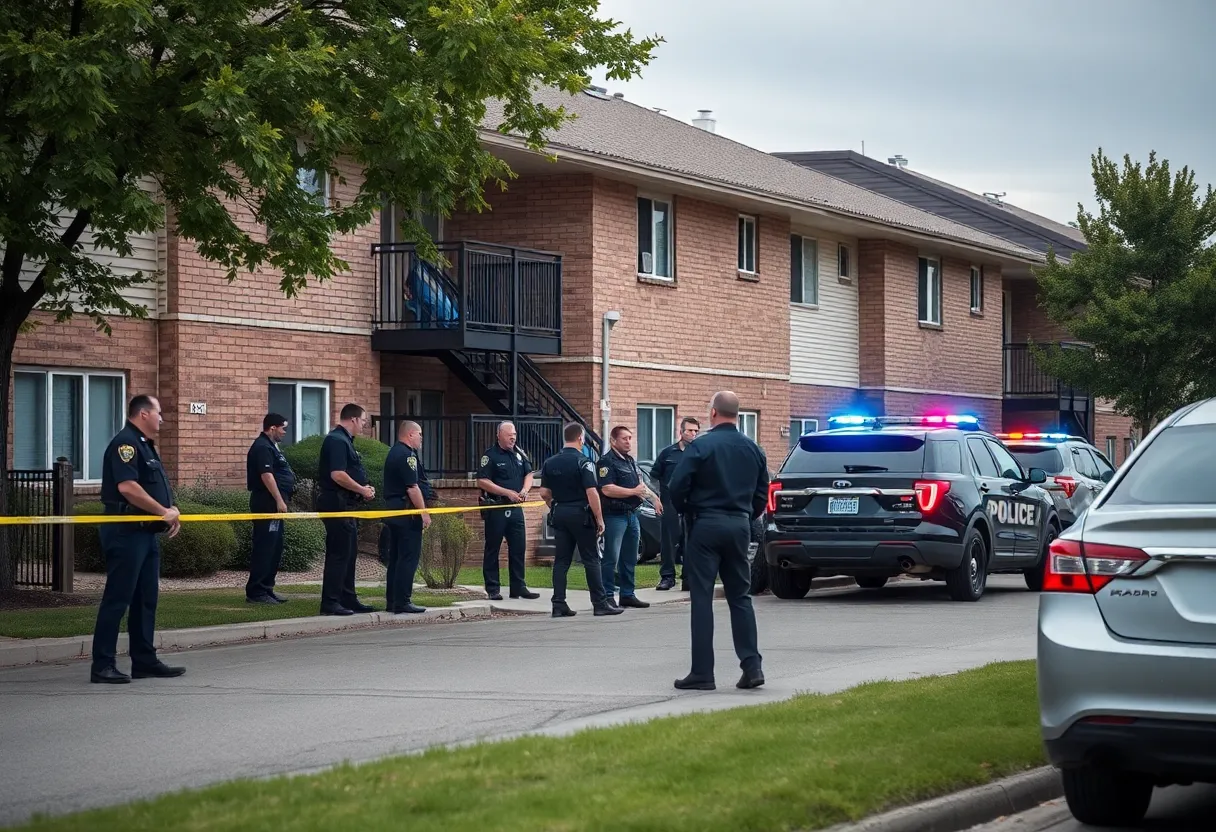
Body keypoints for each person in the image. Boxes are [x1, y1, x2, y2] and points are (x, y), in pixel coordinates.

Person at [667, 391, 769, 691]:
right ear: (736, 415)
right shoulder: (753, 449)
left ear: (713, 413)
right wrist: (747, 514)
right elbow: (762, 492)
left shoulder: (700, 446)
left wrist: (688, 510)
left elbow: (676, 486)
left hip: (705, 525)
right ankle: (752, 666)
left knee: (702, 599)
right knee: (740, 596)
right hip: (739, 525)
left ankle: (702, 673)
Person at [90, 395, 186, 684]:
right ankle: (102, 665)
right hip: (126, 531)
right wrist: (162, 511)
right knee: (118, 599)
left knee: (146, 599)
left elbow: (152, 488)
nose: (162, 419)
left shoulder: (146, 446)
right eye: (159, 413)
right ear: (143, 413)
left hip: (144, 532)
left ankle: (144, 661)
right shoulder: (126, 444)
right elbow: (128, 488)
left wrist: (171, 509)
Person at [538, 423, 623, 618]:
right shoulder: (584, 462)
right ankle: (600, 603)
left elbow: (544, 492)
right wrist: (599, 519)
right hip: (581, 514)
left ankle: (558, 604)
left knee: (561, 561)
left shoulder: (550, 462)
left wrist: (556, 506)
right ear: (580, 438)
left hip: (560, 513)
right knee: (591, 559)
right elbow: (592, 492)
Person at [317, 403, 377, 616]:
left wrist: (363, 489)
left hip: (347, 504)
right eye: (362, 421)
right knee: (339, 555)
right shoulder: (336, 441)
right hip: (337, 504)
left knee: (350, 554)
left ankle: (348, 598)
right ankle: (330, 602)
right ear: (353, 419)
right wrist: (361, 489)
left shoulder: (345, 441)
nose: (363, 426)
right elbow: (337, 474)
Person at [597, 425, 660, 609]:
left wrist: (654, 497)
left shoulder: (630, 461)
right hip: (614, 516)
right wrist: (632, 492)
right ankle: (607, 596)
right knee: (611, 557)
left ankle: (627, 594)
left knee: (630, 558)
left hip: (632, 515)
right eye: (624, 438)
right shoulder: (606, 462)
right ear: (613, 440)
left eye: (630, 438)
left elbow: (640, 485)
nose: (628, 441)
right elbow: (607, 489)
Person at [475, 421, 539, 600]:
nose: (513, 437)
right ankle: (493, 589)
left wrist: (524, 490)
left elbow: (529, 474)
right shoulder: (491, 455)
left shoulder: (519, 453)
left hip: (515, 508)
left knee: (518, 548)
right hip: (497, 507)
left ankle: (518, 587)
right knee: (492, 549)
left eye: (515, 434)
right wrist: (506, 493)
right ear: (499, 435)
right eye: (509, 434)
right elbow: (482, 481)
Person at [245, 413, 296, 604]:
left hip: (274, 503)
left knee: (275, 547)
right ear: (272, 428)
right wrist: (278, 500)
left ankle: (267, 588)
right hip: (266, 503)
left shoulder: (272, 447)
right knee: (265, 547)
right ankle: (256, 592)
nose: (284, 432)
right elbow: (266, 475)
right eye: (283, 428)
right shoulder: (262, 447)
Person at [382, 420, 431, 614]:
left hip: (394, 511)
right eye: (419, 434)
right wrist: (424, 512)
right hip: (406, 512)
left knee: (396, 557)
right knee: (408, 557)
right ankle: (403, 601)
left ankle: (393, 600)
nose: (421, 439)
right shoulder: (407, 455)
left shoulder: (394, 451)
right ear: (410, 434)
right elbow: (412, 487)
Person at [649, 416, 700, 591]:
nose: (693, 434)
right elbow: (654, 476)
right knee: (668, 541)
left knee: (690, 540)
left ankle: (688, 577)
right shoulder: (668, 453)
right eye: (690, 430)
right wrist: (658, 497)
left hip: (692, 503)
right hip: (670, 502)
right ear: (681, 432)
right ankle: (667, 577)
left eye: (695, 431)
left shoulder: (699, 452)